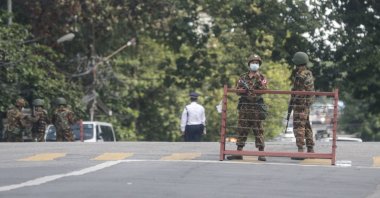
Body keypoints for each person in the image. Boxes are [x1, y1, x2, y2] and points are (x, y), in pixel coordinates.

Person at [227, 54, 268, 161]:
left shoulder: (262, 77)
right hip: (245, 107)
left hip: (256, 108)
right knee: (242, 129)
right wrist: (244, 91)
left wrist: (258, 79)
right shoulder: (243, 77)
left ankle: (261, 153)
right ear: (249, 64)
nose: (255, 64)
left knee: (258, 130)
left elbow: (264, 89)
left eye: (257, 63)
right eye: (253, 62)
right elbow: (237, 90)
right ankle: (239, 152)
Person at [290, 51, 315, 159]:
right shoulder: (308, 73)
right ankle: (310, 149)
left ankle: (300, 151)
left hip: (300, 105)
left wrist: (293, 101)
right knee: (306, 126)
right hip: (306, 105)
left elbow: (298, 92)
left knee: (298, 127)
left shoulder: (300, 75)